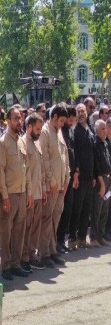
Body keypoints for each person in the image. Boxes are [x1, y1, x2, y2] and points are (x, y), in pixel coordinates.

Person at [0, 106, 33, 280]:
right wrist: (4, 197)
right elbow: (0, 172)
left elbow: (26, 169)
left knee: (19, 231)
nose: (19, 121)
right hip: (9, 195)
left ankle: (16, 264)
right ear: (8, 120)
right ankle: (5, 267)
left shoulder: (21, 141)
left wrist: (28, 193)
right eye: (15, 118)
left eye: (20, 118)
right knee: (6, 232)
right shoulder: (3, 142)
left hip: (22, 193)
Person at [39, 103, 70, 267]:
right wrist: (52, 182)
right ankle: (44, 253)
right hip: (50, 186)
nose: (62, 124)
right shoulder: (45, 132)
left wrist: (66, 179)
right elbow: (44, 160)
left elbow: (65, 156)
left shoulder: (59, 132)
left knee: (55, 219)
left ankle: (52, 251)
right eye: (61, 121)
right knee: (47, 220)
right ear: (54, 117)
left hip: (60, 186)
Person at [68, 103, 95, 250]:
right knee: (77, 209)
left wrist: (94, 175)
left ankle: (82, 238)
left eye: (83, 111)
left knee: (86, 209)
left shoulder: (90, 130)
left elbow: (93, 154)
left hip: (90, 177)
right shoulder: (75, 131)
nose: (81, 113)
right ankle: (72, 239)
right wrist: (76, 173)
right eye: (78, 111)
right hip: (80, 177)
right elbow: (75, 154)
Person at [21, 113, 46, 272]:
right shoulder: (23, 143)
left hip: (38, 193)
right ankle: (23, 257)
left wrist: (43, 189)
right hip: (28, 194)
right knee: (26, 227)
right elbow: (25, 172)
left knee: (35, 227)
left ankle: (31, 255)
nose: (39, 132)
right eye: (37, 129)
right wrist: (29, 194)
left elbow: (40, 169)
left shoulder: (37, 143)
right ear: (29, 127)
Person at [56, 106, 77, 253]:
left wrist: (76, 172)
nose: (69, 121)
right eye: (68, 118)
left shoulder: (70, 131)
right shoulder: (59, 132)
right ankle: (56, 242)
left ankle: (61, 241)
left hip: (70, 176)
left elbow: (74, 153)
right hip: (61, 178)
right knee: (60, 212)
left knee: (67, 211)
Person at [90, 119, 111, 247]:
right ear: (96, 130)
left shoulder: (105, 143)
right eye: (102, 129)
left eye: (105, 128)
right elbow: (97, 165)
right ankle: (93, 237)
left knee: (105, 209)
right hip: (100, 181)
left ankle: (101, 236)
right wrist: (102, 184)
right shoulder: (95, 144)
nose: (105, 131)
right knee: (97, 210)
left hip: (108, 179)